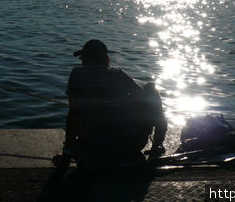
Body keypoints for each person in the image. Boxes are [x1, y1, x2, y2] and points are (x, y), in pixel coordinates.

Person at [61, 39, 166, 167]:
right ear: (107, 59)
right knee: (151, 89)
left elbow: (73, 114)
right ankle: (157, 145)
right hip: (130, 146)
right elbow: (145, 98)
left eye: (81, 58)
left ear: (84, 59)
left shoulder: (76, 74)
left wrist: (67, 151)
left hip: (94, 146)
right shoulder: (118, 74)